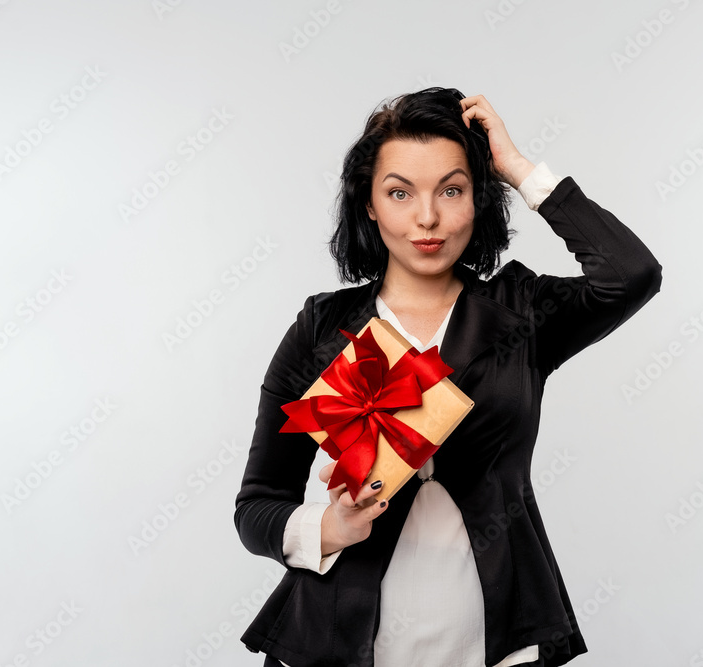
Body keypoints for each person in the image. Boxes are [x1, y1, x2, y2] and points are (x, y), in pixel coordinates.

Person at [234, 88, 663, 667]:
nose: (427, 217)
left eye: (452, 190)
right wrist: (326, 528)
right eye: (399, 193)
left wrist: (516, 169)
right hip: (337, 639)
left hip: (495, 640)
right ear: (369, 204)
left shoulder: (521, 313)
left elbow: (631, 273)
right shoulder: (321, 329)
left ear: (478, 199)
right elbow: (258, 505)